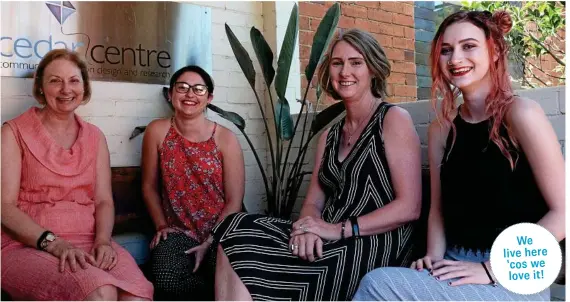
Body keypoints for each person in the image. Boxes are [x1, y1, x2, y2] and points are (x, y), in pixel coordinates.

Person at [353, 10, 565, 301]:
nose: (455, 59)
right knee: (382, 281)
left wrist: (492, 268)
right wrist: (431, 257)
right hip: (455, 263)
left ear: (495, 51)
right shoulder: (442, 129)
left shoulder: (522, 114)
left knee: (377, 284)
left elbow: (564, 213)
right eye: (446, 50)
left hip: (516, 272)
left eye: (469, 46)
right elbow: (437, 210)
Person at [212, 28, 422, 301]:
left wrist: (338, 229)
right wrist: (305, 229)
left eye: (356, 62)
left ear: (373, 68)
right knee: (235, 228)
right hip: (328, 234)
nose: (345, 71)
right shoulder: (329, 136)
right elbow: (313, 202)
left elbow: (410, 207)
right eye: (337, 63)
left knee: (298, 272)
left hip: (375, 242)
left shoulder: (393, 119)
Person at [0, 49, 154, 300]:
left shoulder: (95, 136)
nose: (65, 89)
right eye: (55, 81)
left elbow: (104, 200)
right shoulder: (13, 132)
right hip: (29, 244)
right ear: (40, 87)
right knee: (98, 291)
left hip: (90, 240)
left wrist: (103, 241)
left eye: (73, 80)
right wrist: (53, 242)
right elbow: (4, 207)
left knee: (136, 295)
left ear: (84, 87)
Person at [141, 65, 245, 300]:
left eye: (198, 89)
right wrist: (160, 226)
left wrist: (210, 240)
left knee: (230, 274)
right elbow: (148, 186)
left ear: (209, 98)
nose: (190, 94)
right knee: (167, 280)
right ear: (170, 94)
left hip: (220, 231)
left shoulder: (226, 138)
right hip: (177, 231)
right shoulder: (157, 131)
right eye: (182, 87)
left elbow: (234, 200)